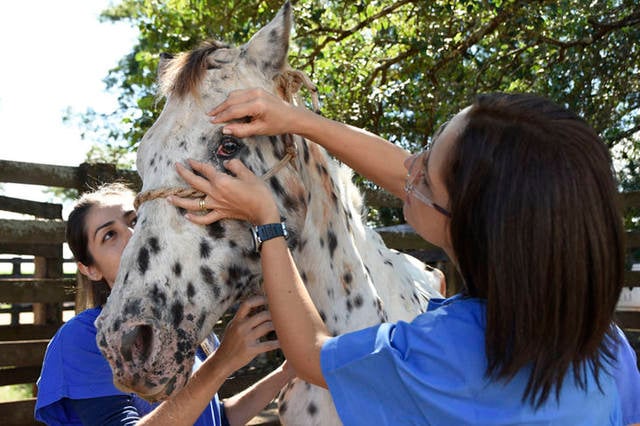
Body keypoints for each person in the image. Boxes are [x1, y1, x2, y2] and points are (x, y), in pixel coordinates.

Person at [167, 89, 640, 425]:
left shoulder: (441, 353)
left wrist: (267, 222)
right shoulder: (609, 349)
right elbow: (425, 183)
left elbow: (313, 355)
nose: (409, 166)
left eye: (426, 173)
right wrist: (295, 119)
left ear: (474, 230)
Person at [35, 183, 294, 426]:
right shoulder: (81, 338)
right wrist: (222, 362)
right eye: (110, 235)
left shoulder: (186, 324)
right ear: (89, 269)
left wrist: (289, 370)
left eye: (135, 220)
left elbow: (216, 418)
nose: (133, 236)